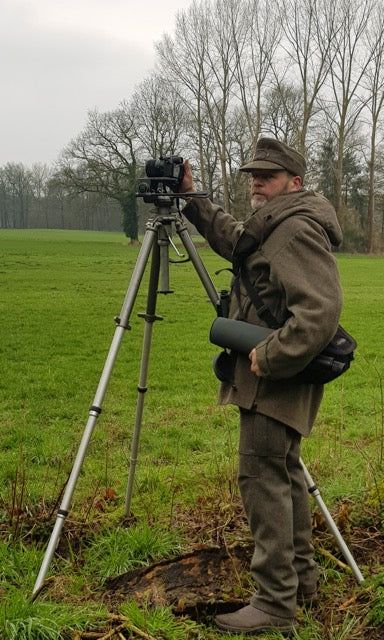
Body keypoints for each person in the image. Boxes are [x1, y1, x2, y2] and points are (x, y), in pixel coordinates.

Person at [179, 138, 343, 635]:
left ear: (294, 182)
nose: (256, 182)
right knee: (283, 473)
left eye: (267, 177)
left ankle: (273, 604)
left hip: (277, 373)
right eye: (253, 175)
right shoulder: (274, 224)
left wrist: (269, 356)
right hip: (273, 371)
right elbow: (238, 241)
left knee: (261, 480)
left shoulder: (294, 229)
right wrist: (193, 199)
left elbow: (319, 309)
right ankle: (301, 582)